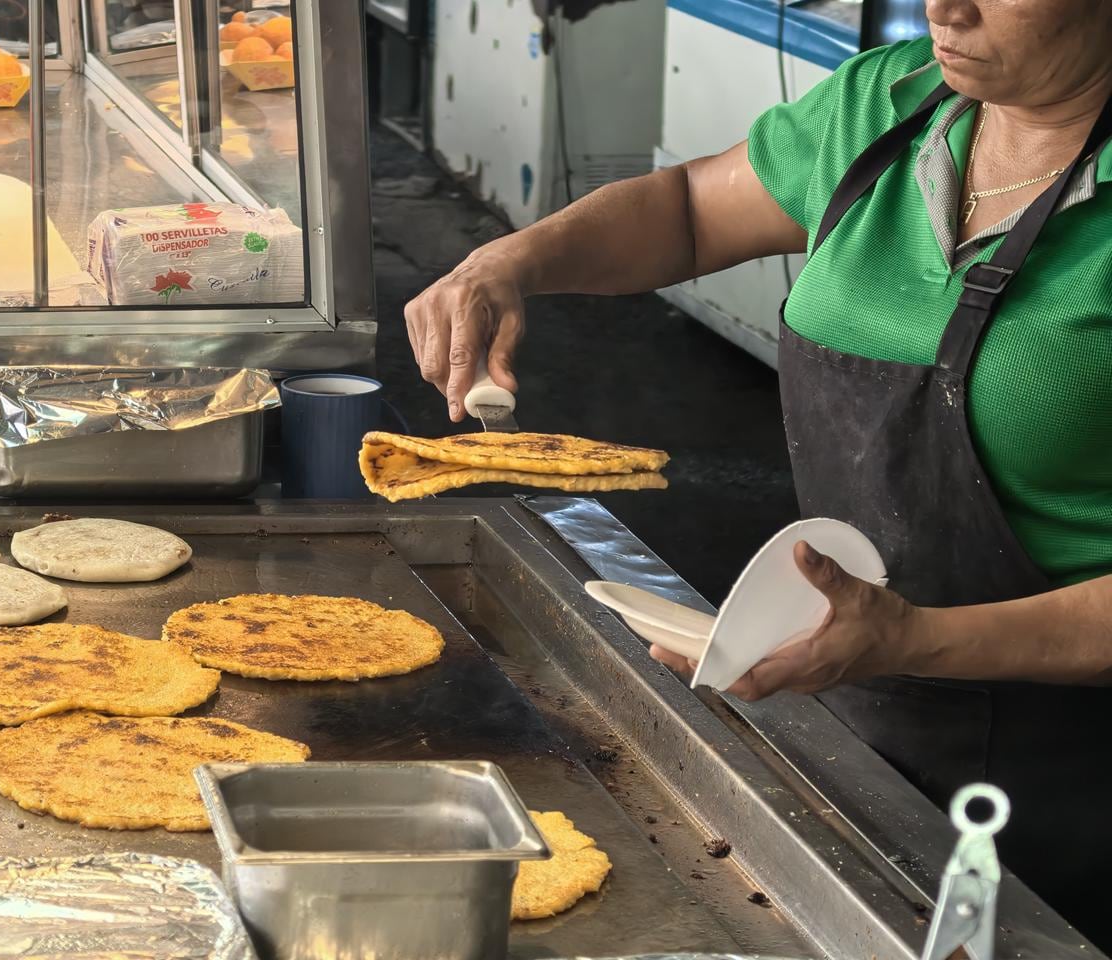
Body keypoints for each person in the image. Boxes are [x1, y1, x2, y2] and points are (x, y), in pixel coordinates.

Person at [405, 0, 1112, 946]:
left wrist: (913, 639)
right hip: (852, 714)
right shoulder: (892, 104)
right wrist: (508, 261)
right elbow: (691, 211)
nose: (946, 5)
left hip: (1072, 784)